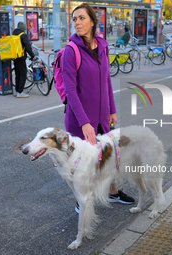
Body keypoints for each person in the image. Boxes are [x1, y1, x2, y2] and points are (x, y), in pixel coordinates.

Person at [62, 3, 135, 212]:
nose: (77, 22)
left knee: (108, 157)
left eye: (81, 18)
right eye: (74, 19)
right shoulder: (71, 51)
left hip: (103, 117)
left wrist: (112, 110)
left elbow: (107, 82)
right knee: (83, 163)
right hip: (81, 120)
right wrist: (84, 123)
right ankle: (81, 200)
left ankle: (112, 192)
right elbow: (71, 92)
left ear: (92, 21)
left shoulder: (102, 47)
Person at [12, 21, 36, 98]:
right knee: (23, 74)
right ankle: (20, 92)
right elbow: (28, 47)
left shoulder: (14, 33)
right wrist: (33, 56)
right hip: (21, 57)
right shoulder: (23, 35)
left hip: (15, 56)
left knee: (18, 74)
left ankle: (17, 91)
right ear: (24, 28)